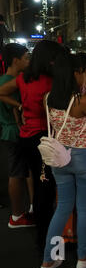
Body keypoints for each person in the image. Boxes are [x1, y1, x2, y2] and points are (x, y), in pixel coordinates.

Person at [39, 52, 86, 268]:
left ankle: (48, 260)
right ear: (77, 72)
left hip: (60, 157)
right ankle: (83, 257)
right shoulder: (81, 101)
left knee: (62, 208)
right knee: (85, 208)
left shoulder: (49, 97)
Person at [0, 40, 65, 250]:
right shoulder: (51, 81)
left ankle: (43, 229)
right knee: (45, 187)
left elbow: (1, 92)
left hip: (27, 137)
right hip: (43, 137)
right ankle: (46, 239)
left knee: (39, 185)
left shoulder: (23, 78)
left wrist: (20, 106)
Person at [0, 43, 33, 228]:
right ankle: (17, 215)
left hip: (9, 130)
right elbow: (14, 108)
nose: (28, 61)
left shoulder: (4, 80)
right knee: (16, 173)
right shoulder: (9, 83)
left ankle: (25, 211)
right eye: (26, 58)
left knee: (23, 170)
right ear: (15, 60)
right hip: (15, 130)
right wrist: (20, 107)